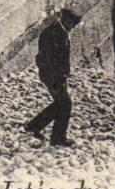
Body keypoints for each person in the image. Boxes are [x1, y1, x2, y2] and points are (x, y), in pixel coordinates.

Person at [23, 8, 79, 147]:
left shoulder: (58, 31)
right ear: (67, 20)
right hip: (52, 75)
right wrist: (58, 77)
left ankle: (34, 126)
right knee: (65, 104)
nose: (74, 27)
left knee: (61, 103)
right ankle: (58, 138)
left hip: (55, 75)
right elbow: (49, 58)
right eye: (73, 24)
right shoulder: (53, 33)